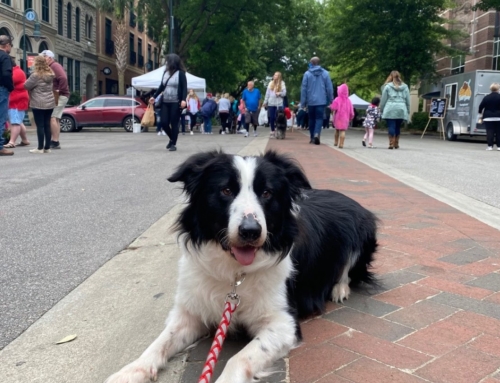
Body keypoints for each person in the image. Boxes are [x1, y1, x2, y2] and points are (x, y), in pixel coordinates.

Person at [150, 53, 187, 152]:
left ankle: (173, 144)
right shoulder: (165, 73)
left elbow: (184, 88)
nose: (166, 63)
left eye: (167, 61)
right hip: (165, 101)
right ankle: (172, 138)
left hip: (176, 102)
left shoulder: (181, 74)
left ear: (172, 62)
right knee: (164, 122)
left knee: (174, 123)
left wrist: (183, 99)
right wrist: (154, 96)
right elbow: (161, 86)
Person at [24, 56, 56, 153]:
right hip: (50, 102)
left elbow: (26, 85)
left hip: (38, 103)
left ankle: (40, 148)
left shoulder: (35, 75)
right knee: (47, 125)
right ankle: (47, 148)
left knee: (40, 126)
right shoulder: (50, 74)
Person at [300, 56, 334, 145]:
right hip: (321, 100)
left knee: (311, 119)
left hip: (311, 101)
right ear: (319, 63)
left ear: (311, 63)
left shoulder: (307, 74)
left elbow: (304, 89)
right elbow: (329, 88)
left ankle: (312, 137)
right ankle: (316, 134)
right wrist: (331, 99)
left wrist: (303, 102)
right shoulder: (326, 74)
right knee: (319, 118)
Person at [40, 50, 69, 150]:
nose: (43, 59)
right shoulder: (53, 66)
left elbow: (63, 78)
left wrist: (59, 90)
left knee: (52, 117)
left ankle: (55, 141)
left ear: (49, 57)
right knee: (55, 118)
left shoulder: (55, 66)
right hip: (60, 95)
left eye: (44, 57)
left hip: (59, 95)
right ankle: (55, 140)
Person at [380, 70, 410, 149]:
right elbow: (408, 100)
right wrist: (408, 110)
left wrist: (381, 109)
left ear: (390, 76)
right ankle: (396, 143)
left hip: (390, 108)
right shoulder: (405, 86)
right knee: (398, 126)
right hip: (401, 108)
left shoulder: (387, 86)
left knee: (391, 126)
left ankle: (391, 143)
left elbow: (383, 99)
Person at [5, 58, 30, 148]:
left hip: (16, 101)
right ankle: (25, 140)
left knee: (15, 122)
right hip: (17, 100)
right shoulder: (17, 71)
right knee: (18, 121)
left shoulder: (16, 72)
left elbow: (7, 81)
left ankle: (11, 142)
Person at [0, 34, 14, 156]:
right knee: (1, 118)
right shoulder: (5, 57)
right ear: (7, 45)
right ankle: (0, 147)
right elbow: (6, 74)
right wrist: (10, 87)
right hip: (1, 89)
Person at [263, 72, 287, 138]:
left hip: (279, 103)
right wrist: (265, 102)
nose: (274, 76)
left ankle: (279, 130)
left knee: (279, 117)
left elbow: (284, 93)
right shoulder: (270, 83)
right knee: (272, 117)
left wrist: (280, 93)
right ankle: (272, 131)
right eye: (274, 75)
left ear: (279, 76)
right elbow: (267, 93)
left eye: (276, 75)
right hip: (271, 102)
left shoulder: (282, 83)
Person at [330, 83, 354, 149]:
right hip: (345, 118)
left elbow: (333, 107)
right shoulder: (349, 101)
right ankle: (341, 144)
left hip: (338, 117)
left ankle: (335, 142)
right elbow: (352, 111)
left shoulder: (337, 99)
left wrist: (331, 108)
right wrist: (351, 117)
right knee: (343, 131)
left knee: (337, 130)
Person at [478, 82, 500, 151]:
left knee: (490, 131)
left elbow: (481, 106)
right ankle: (499, 146)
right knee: (498, 132)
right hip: (498, 116)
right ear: (498, 89)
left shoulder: (486, 97)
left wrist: (480, 113)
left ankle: (490, 146)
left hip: (488, 117)